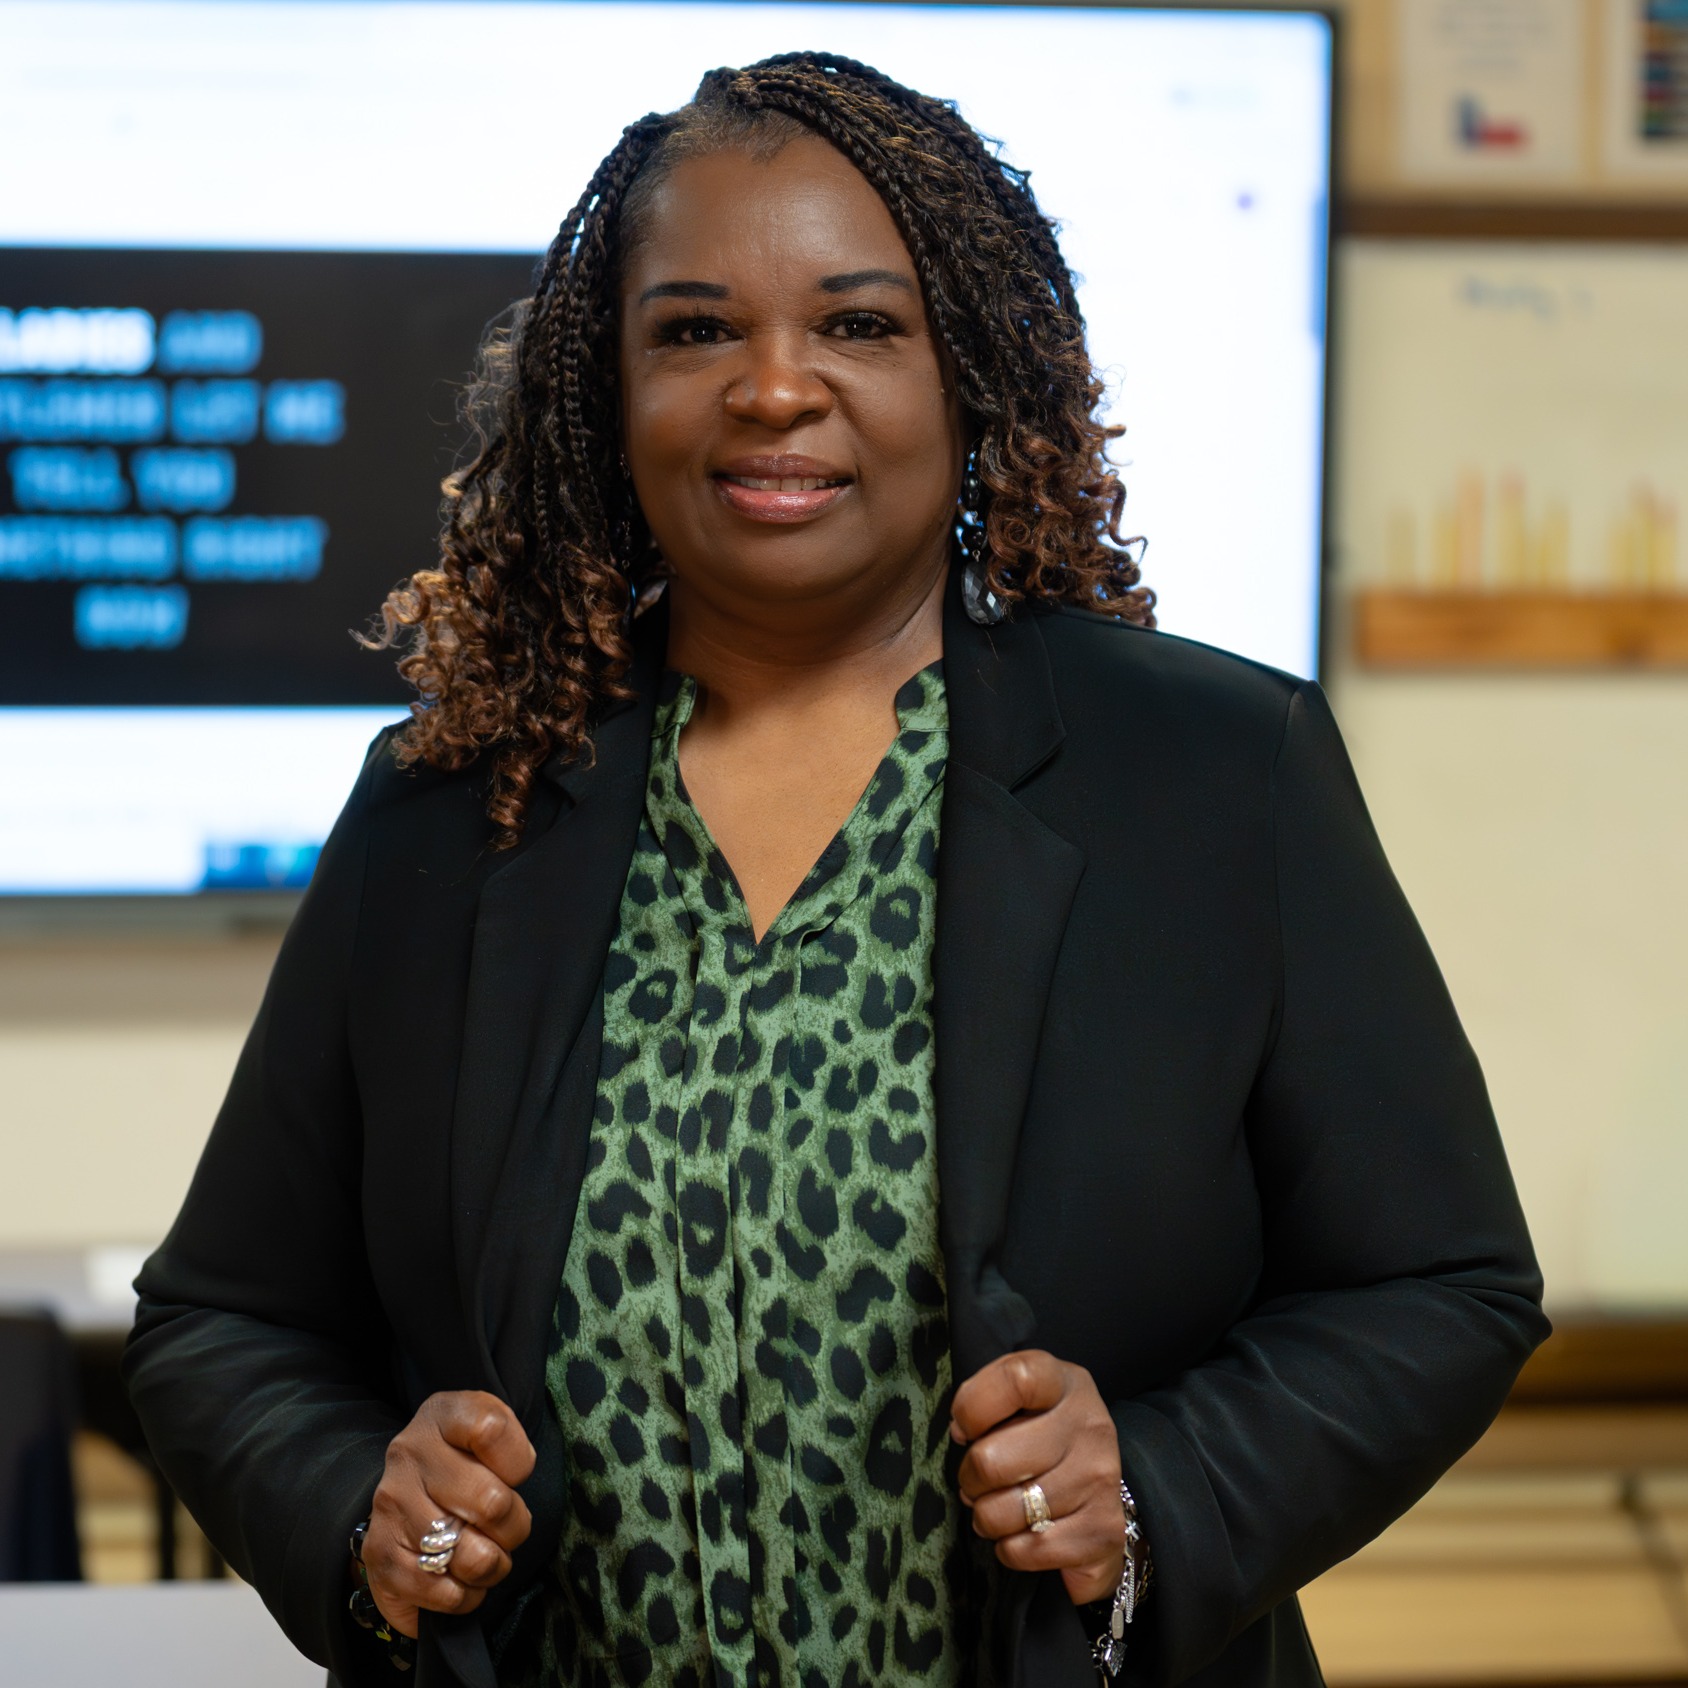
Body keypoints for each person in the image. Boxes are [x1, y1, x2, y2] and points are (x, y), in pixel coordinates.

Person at [123, 52, 1548, 1688]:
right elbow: (224, 1324)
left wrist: (1157, 1489)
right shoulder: (455, 809)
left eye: (860, 325)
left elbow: (1438, 1281)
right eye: (695, 330)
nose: (773, 389)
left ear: (975, 374)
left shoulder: (1220, 776)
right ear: (611, 390)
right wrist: (364, 1514)